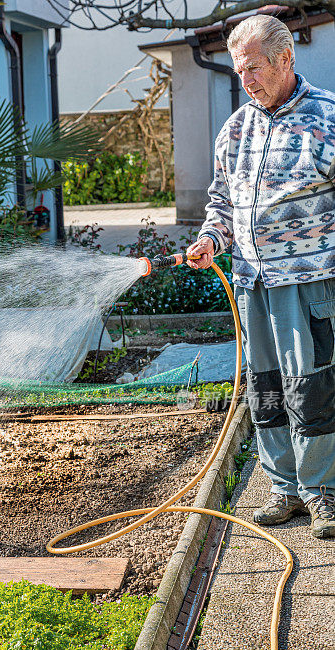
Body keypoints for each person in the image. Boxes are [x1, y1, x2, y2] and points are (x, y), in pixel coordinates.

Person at [186, 14, 335, 539]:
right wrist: (211, 239)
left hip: (310, 282)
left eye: (254, 69)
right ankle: (284, 488)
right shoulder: (238, 127)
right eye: (239, 71)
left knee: (312, 387)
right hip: (253, 283)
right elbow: (221, 202)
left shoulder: (327, 118)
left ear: (285, 61)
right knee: (267, 388)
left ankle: (322, 491)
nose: (245, 81)